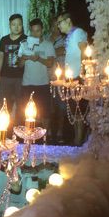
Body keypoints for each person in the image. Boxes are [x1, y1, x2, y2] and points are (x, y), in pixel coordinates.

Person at [57, 13, 88, 144]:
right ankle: (76, 139)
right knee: (74, 109)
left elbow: (84, 50)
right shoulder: (70, 36)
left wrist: (83, 71)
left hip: (78, 77)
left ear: (68, 20)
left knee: (78, 110)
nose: (58, 26)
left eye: (60, 22)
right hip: (71, 78)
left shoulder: (78, 32)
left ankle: (79, 140)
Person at [18, 18, 55, 128]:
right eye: (33, 31)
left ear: (42, 30)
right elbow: (19, 65)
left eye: (37, 31)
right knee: (27, 112)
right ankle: (28, 134)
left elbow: (50, 63)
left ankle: (45, 135)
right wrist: (23, 58)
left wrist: (38, 58)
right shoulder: (24, 44)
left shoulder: (48, 45)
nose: (35, 34)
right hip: (27, 83)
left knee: (45, 112)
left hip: (43, 83)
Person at [0, 13, 27, 117]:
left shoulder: (26, 40)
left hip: (21, 77)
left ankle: (19, 125)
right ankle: (4, 125)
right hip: (5, 77)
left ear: (22, 25)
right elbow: (0, 58)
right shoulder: (4, 40)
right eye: (14, 24)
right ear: (9, 25)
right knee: (4, 104)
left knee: (21, 104)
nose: (16, 27)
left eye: (19, 24)